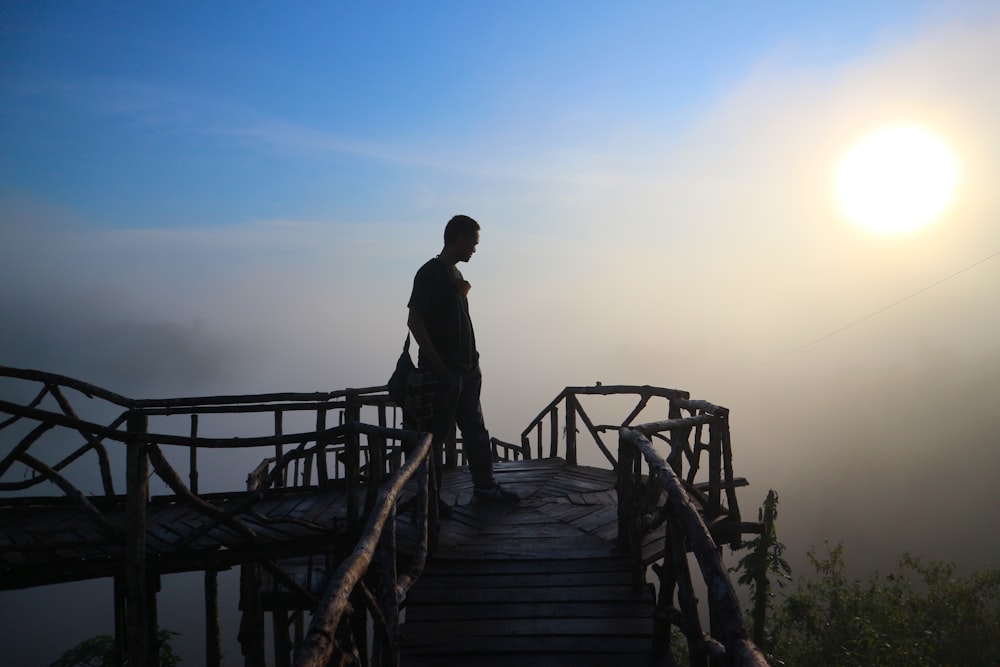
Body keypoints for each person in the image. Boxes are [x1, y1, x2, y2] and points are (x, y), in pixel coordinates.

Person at [406, 214, 519, 504]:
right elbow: (415, 321)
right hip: (443, 372)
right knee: (435, 436)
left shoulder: (453, 274)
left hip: (466, 368)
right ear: (459, 240)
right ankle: (429, 499)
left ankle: (484, 488)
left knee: (474, 430)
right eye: (473, 243)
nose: (475, 250)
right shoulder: (429, 273)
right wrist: (440, 368)